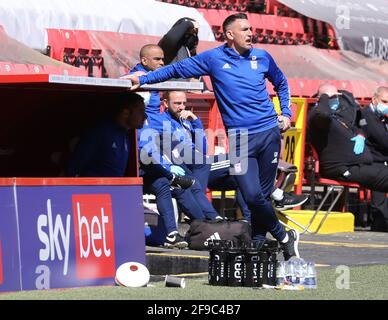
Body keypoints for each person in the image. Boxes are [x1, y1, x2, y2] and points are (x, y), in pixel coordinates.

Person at [124, 13, 301, 261]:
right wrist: (143, 79)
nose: (252, 33)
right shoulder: (213, 58)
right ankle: (284, 237)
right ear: (230, 34)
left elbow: (281, 83)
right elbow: (175, 69)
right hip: (239, 137)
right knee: (251, 197)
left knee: (260, 197)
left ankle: (259, 245)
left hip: (269, 133)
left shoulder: (262, 57)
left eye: (251, 29)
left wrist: (286, 114)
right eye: (245, 29)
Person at [308, 84, 388, 224]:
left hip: (357, 164)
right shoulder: (318, 116)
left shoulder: (336, 117)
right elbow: (323, 114)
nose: (335, 100)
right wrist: (325, 98)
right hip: (342, 168)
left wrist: (361, 135)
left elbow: (359, 124)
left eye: (337, 97)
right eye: (331, 98)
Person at [67, 92, 146, 177]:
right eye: (141, 111)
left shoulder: (125, 136)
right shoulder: (101, 131)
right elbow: (76, 165)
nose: (145, 116)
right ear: (126, 113)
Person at [359, 86, 388, 232]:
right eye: (384, 101)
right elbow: (384, 141)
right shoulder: (367, 116)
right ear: (374, 99)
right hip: (370, 161)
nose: (386, 106)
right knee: (381, 176)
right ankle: (380, 223)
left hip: (380, 159)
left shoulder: (380, 116)